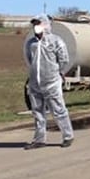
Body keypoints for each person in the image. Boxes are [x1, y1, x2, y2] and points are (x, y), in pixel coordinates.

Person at [24, 13, 75, 150]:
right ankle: (39, 139)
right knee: (38, 112)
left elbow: (63, 59)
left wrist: (59, 73)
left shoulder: (56, 41)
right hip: (35, 83)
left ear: (46, 25)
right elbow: (30, 60)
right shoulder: (31, 44)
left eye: (39, 23)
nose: (36, 27)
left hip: (52, 82)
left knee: (58, 110)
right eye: (34, 24)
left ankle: (68, 136)